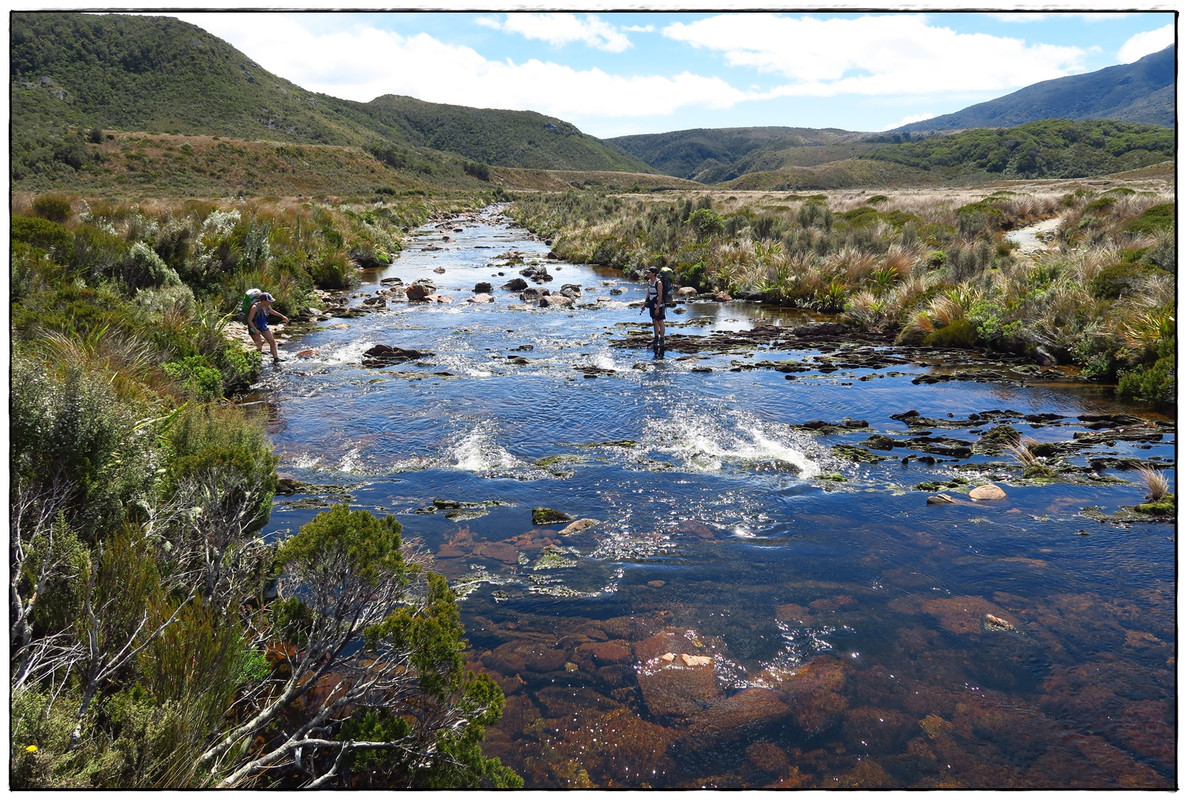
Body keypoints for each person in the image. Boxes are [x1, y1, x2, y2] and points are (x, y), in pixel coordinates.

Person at [248, 292, 290, 363]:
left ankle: (276, 359)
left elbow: (272, 311)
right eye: (269, 301)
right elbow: (249, 320)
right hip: (253, 327)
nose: (270, 302)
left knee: (272, 342)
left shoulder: (267, 306)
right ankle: (256, 360)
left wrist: (282, 316)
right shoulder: (254, 307)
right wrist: (255, 330)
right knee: (259, 345)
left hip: (263, 326)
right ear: (263, 300)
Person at [644, 266, 666, 350]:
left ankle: (662, 339)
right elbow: (649, 293)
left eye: (649, 272)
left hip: (658, 305)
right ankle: (656, 337)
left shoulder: (659, 283)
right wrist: (644, 303)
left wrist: (657, 308)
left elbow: (660, 296)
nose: (647, 274)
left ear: (653, 273)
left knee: (660, 321)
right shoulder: (649, 281)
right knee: (654, 321)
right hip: (652, 303)